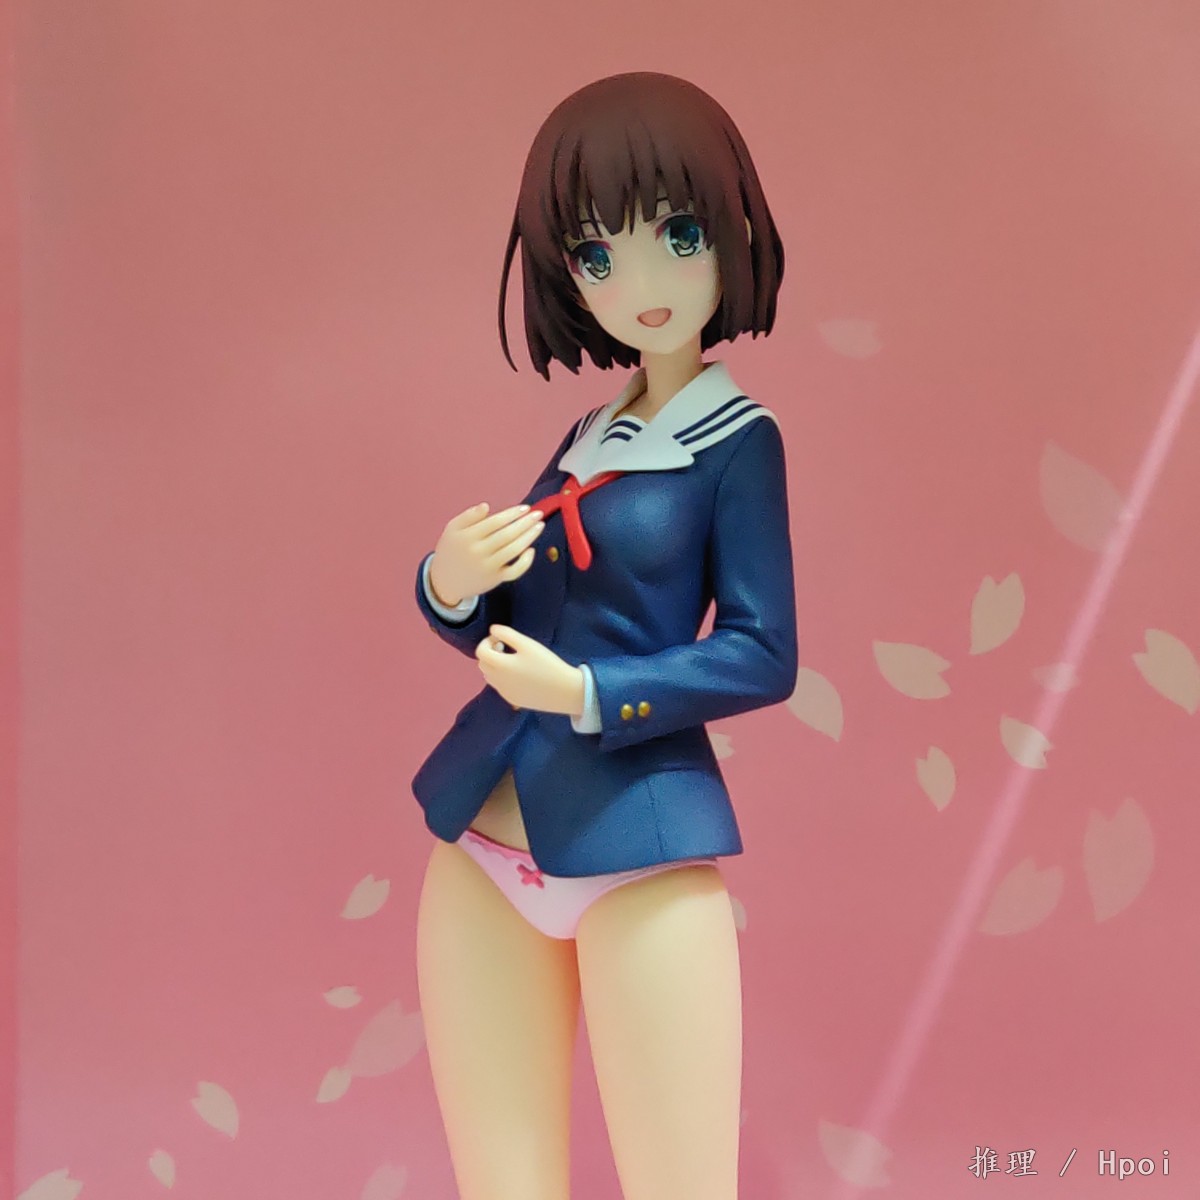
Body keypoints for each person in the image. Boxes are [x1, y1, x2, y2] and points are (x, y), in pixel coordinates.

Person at [411, 71, 797, 1200]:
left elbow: (763, 651)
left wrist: (587, 693)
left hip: (640, 845)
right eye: (595, 256)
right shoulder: (590, 432)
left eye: (678, 236)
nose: (643, 286)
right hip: (485, 839)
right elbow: (518, 628)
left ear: (731, 232)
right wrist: (450, 583)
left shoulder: (739, 441)